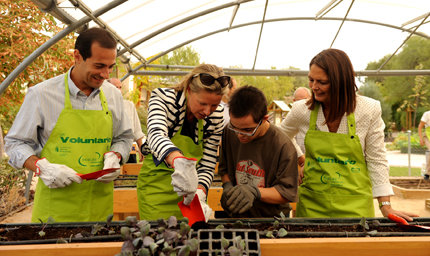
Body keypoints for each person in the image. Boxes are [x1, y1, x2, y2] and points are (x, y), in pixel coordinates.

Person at [4, 27, 134, 222]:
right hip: (54, 211)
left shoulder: (113, 95)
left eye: (110, 66)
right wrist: (41, 167)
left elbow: (123, 137)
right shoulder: (41, 95)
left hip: (99, 209)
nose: (106, 74)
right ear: (77, 56)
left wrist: (116, 155)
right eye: (99, 66)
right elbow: (15, 144)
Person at [279, 48, 417, 220]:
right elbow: (280, 136)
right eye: (311, 80)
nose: (314, 87)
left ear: (340, 82)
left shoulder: (368, 109)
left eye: (322, 82)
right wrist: (300, 159)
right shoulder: (302, 110)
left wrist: (385, 206)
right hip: (313, 204)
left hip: (356, 206)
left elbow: (377, 159)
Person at [137, 64, 230, 221]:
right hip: (157, 191)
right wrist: (178, 161)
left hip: (192, 196)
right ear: (189, 90)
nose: (208, 111)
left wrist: (200, 192)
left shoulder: (217, 115)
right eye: (202, 103)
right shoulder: (164, 98)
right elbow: (155, 134)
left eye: (214, 105)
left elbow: (207, 162)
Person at [219, 86, 298, 217]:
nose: (240, 135)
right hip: (237, 217)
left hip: (271, 220)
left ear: (265, 119)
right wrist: (227, 186)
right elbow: (224, 169)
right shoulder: (228, 131)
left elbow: (286, 193)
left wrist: (256, 192)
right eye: (235, 127)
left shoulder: (283, 146)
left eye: (248, 130)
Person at [109, 77, 147, 163]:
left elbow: (137, 130)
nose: (119, 90)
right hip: (109, 152)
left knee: (130, 175)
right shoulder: (102, 106)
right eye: (115, 87)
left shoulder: (129, 105)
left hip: (129, 151)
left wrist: (141, 148)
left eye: (120, 87)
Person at [418, 110, 430, 179]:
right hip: (427, 135)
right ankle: (428, 173)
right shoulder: (427, 114)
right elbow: (420, 127)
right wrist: (421, 138)